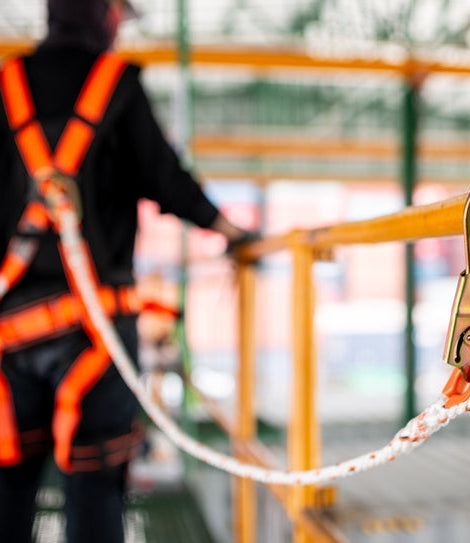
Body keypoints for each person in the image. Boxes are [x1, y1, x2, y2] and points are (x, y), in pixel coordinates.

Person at [0, 0, 254, 541]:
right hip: (95, 334)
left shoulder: (7, 83)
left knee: (8, 485)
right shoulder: (114, 85)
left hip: (8, 336)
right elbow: (166, 178)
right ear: (104, 14)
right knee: (94, 490)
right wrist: (230, 232)